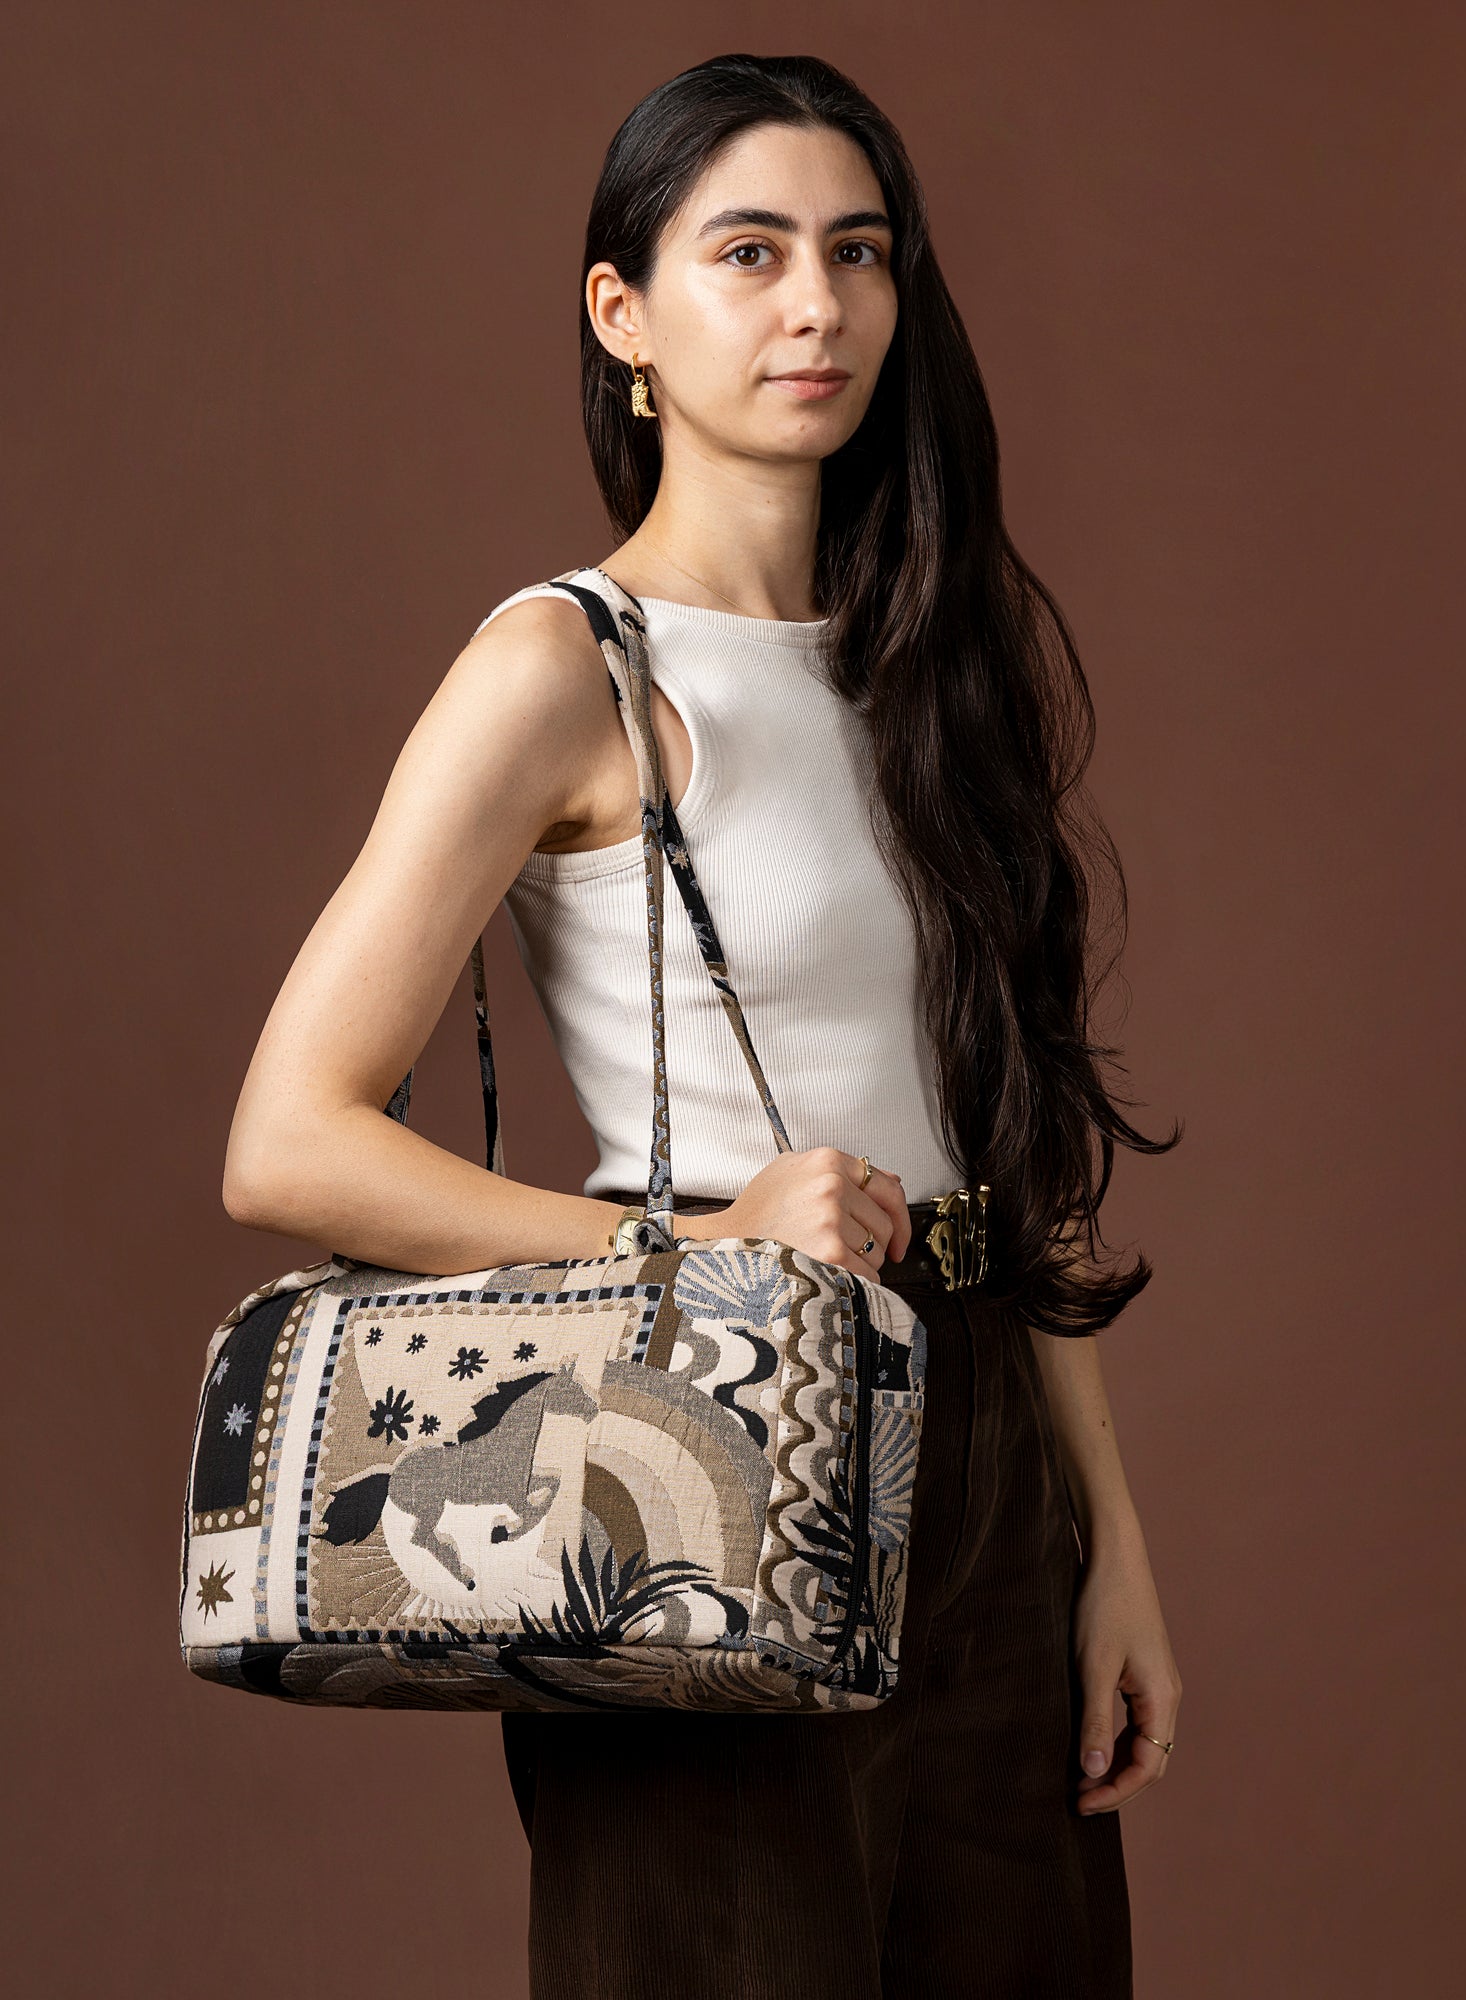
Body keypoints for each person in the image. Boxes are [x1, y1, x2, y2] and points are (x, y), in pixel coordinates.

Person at [222, 51, 1183, 2000]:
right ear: (623, 315)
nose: (816, 303)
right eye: (748, 253)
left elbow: (1009, 1138)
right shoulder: (562, 666)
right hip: (705, 1427)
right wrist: (703, 1241)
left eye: (858, 252)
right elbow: (288, 1141)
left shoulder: (934, 661)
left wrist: (1111, 1546)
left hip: (989, 1440)